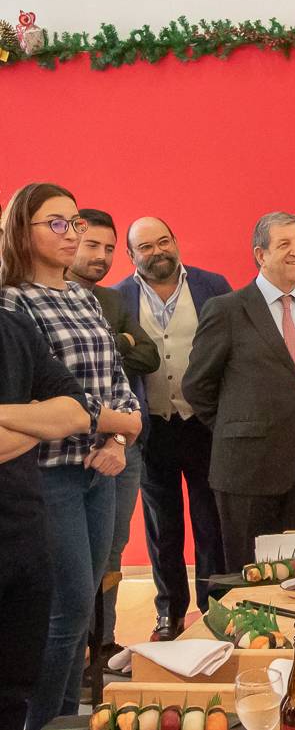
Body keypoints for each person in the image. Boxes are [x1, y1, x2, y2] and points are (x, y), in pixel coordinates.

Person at [0, 182, 142, 729]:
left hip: (101, 469)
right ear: (23, 230)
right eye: (56, 223)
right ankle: (44, 719)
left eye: (75, 222)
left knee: (82, 609)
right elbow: (35, 403)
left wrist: (118, 438)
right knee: (68, 607)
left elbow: (113, 381)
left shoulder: (83, 295)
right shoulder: (13, 301)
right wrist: (107, 420)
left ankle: (62, 716)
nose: (72, 234)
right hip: (47, 474)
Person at [183, 211, 295, 570]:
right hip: (247, 472)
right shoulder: (227, 310)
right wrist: (238, 428)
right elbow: (196, 385)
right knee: (252, 578)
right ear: (260, 254)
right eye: (284, 244)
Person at [116, 215, 232, 641]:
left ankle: (215, 605)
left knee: (210, 520)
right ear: (131, 255)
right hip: (152, 428)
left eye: (163, 241)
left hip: (203, 424)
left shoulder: (212, 286)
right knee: (162, 527)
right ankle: (169, 612)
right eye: (145, 246)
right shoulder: (116, 299)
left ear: (176, 242)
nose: (157, 251)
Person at [66, 208, 159, 660]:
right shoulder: (32, 300)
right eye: (92, 246)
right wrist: (115, 341)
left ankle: (102, 645)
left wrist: (115, 343)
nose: (101, 257)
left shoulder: (113, 300)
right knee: (72, 559)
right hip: (66, 451)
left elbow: (149, 355)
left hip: (122, 446)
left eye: (108, 248)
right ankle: (73, 652)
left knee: (112, 550)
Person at [0, 308, 90, 730]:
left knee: (14, 693)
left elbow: (75, 413)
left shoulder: (13, 326)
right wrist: (36, 419)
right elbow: (56, 420)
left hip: (24, 540)